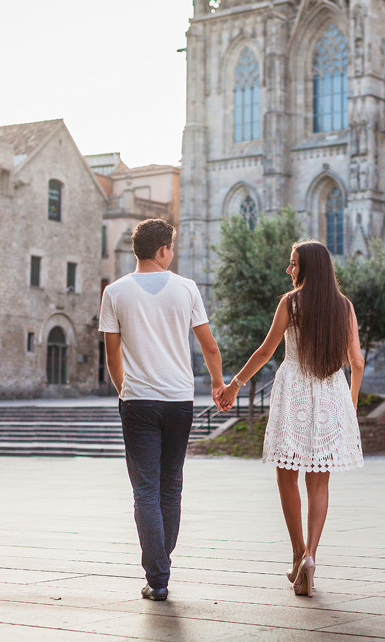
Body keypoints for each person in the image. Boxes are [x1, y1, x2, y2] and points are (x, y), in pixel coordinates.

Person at [217, 240, 364, 597]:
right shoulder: (343, 307)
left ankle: (298, 553)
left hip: (294, 390)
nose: (289, 270)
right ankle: (312, 555)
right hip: (330, 393)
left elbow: (267, 350)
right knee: (320, 483)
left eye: (293, 264)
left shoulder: (291, 302)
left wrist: (234, 385)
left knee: (287, 477)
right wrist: (351, 405)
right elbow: (357, 362)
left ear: (307, 267)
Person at [99, 218, 224, 602]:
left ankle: (158, 577)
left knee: (146, 491)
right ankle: (161, 567)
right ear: (163, 250)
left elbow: (112, 353)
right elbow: (209, 347)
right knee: (171, 486)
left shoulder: (115, 292)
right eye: (173, 247)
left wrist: (125, 390)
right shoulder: (186, 289)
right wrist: (219, 385)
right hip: (179, 401)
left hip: (138, 401)